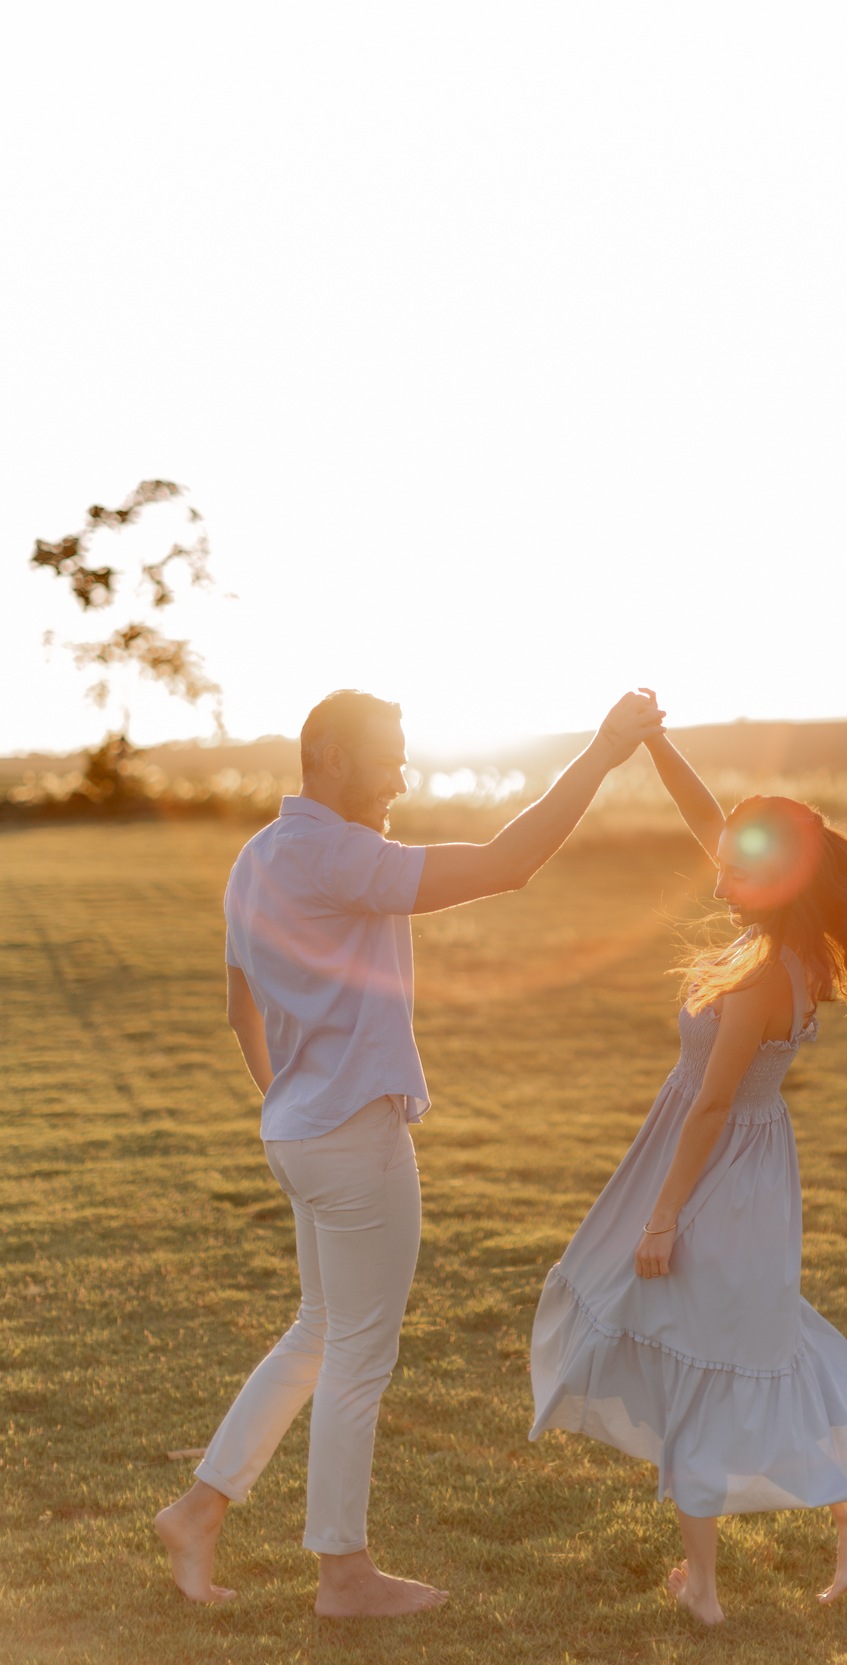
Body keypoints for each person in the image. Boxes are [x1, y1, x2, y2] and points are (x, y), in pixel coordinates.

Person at [155, 685, 664, 1618]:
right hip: (350, 1138)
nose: (402, 773)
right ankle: (342, 1574)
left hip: (299, 1133)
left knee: (319, 1333)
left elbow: (239, 1008)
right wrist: (601, 754)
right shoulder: (337, 856)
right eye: (388, 755)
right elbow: (508, 864)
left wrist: (295, 1103)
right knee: (359, 1355)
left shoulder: (258, 857)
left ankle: (197, 1511)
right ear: (334, 760)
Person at [528, 726, 847, 1625]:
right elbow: (713, 823)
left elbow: (709, 1104)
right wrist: (653, 742)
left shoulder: (761, 975)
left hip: (719, 1170)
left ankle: (708, 1584)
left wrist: (662, 1217)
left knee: (709, 1355)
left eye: (738, 871)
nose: (718, 879)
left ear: (777, 880)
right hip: (732, 1162)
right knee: (729, 1343)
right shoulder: (787, 928)